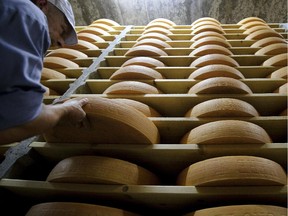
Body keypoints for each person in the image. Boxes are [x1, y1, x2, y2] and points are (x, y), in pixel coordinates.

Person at [0, 0, 89, 144]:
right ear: (43, 3)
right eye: (62, 29)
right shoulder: (30, 16)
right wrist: (65, 110)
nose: (61, 43)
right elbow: (26, 120)